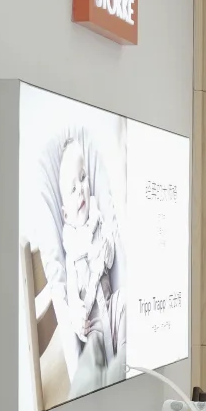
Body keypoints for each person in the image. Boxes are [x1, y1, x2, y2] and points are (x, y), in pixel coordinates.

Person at [58, 139, 125, 368]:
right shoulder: (71, 251)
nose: (80, 189)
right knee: (92, 353)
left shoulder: (99, 220)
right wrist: (77, 315)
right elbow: (71, 292)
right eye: (72, 189)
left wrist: (106, 246)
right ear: (65, 215)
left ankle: (125, 358)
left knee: (125, 302)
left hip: (110, 307)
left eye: (83, 177)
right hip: (94, 323)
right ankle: (101, 374)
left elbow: (111, 259)